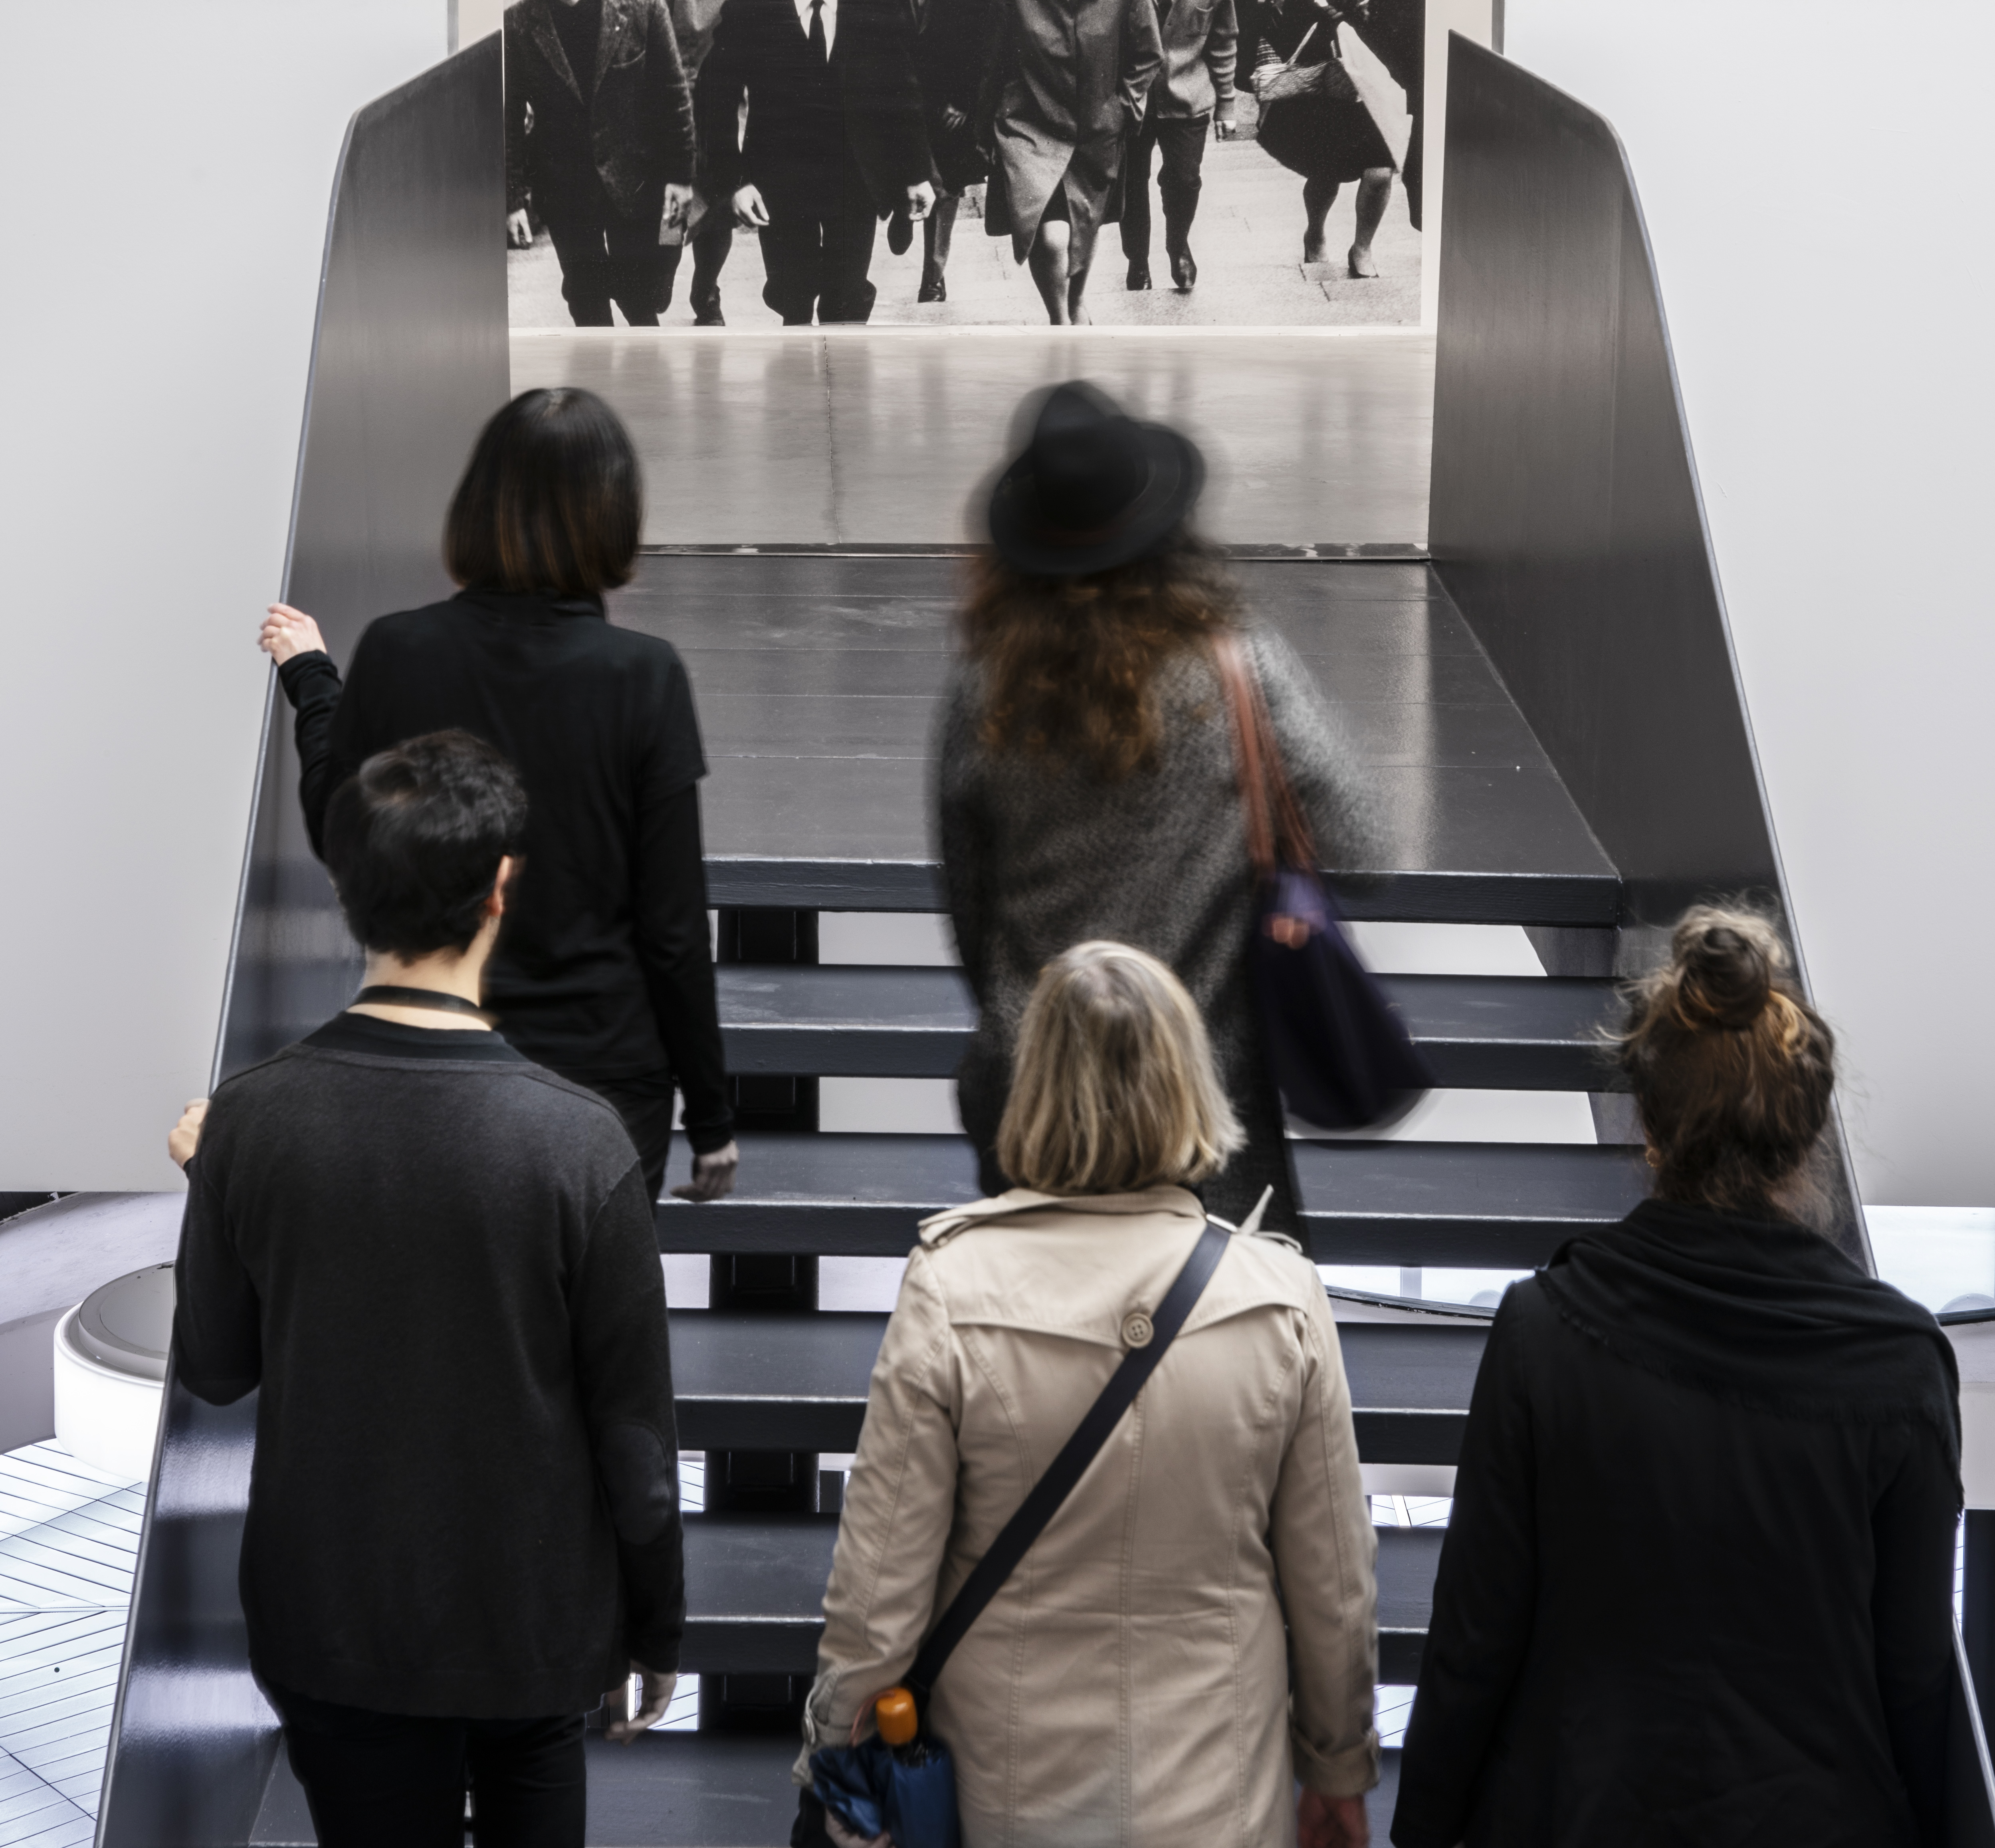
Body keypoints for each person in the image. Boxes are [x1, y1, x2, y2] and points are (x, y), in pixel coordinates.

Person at [170, 730, 686, 1848]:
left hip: (332, 1622)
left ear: (347, 892)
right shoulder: (579, 1142)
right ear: (501, 887)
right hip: (530, 1622)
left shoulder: (249, 1120)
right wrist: (655, 1625)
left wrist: (212, 1178)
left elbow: (214, 1367)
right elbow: (635, 1434)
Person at [1395, 907, 1961, 1848]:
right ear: (1804, 1133)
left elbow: (1474, 1637)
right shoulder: (1899, 1363)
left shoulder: (1542, 1331)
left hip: (1579, 1815)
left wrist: (1419, 1829)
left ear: (1648, 1126)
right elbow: (1914, 1676)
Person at [798, 942, 1377, 1848]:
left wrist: (837, 1752)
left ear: (1031, 1088)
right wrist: (1337, 1766)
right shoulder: (1280, 1298)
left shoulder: (951, 1288)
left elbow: (877, 1595)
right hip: (1218, 1798)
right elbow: (1333, 1585)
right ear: (1189, 1084)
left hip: (1004, 1797)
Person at [259, 387, 737, 1209]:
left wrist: (313, 682)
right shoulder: (644, 675)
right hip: (602, 1083)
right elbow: (673, 927)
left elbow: (338, 830)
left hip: (432, 1060)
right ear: (614, 515)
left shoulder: (398, 650)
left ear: (478, 504)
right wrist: (712, 1111)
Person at [937, 379, 1381, 1244]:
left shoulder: (984, 687)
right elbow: (1362, 845)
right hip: (1198, 1104)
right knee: (1213, 1322)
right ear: (1166, 531)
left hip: (1033, 1101)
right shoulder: (1235, 667)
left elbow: (968, 903)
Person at [696, 0, 936, 327]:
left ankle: (841, 367)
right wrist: (734, 182)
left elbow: (902, 93)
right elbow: (715, 102)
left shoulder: (876, 1)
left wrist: (916, 173)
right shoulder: (751, 11)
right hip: (780, 181)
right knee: (792, 295)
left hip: (856, 178)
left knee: (846, 297)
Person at [503, 0, 694, 329]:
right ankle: (600, 367)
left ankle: (647, 361)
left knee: (643, 296)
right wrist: (513, 200)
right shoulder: (518, 24)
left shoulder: (642, 4)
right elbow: (509, 119)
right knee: (585, 296)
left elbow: (673, 97)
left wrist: (681, 178)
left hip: (637, 178)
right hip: (565, 185)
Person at [977, 0, 1162, 327]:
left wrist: (1123, 108)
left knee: (1082, 225)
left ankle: (1075, 302)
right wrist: (984, 130)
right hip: (1029, 127)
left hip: (1095, 131)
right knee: (1050, 236)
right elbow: (992, 63)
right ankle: (1059, 320)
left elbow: (1147, 56)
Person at [607, 0, 750, 325]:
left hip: (716, 118)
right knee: (663, 214)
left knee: (718, 212)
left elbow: (757, 52)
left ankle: (706, 288)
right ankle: (663, 272)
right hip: (649, 125)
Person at [1256, 0, 1422, 277]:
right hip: (1329, 95)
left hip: (1379, 93)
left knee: (1380, 172)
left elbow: (1412, 36)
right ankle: (1315, 232)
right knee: (1325, 175)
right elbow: (1290, 36)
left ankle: (1362, 248)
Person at [860, 0, 994, 307]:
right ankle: (903, 209)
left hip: (951, 104)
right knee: (907, 174)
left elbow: (989, 46)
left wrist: (966, 102)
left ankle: (933, 277)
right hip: (895, 105)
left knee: (947, 185)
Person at [1106, 0, 1238, 295]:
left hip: (1188, 95)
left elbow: (1223, 37)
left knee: (1184, 180)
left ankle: (1178, 243)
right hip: (1132, 99)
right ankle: (1137, 261)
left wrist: (1226, 102)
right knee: (1131, 184)